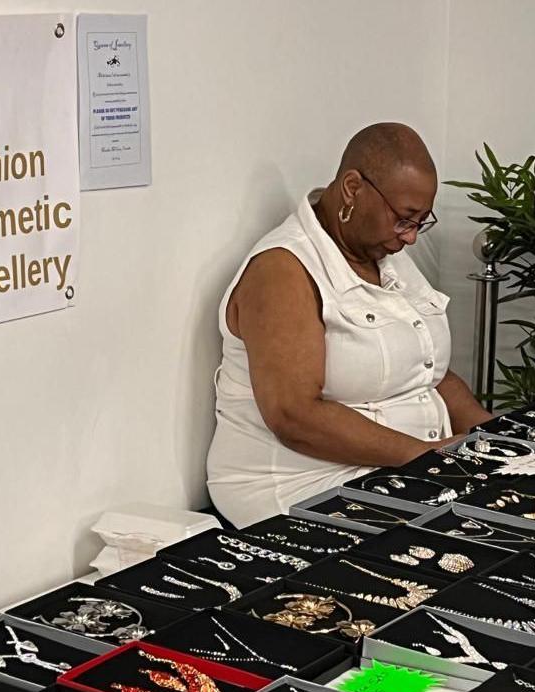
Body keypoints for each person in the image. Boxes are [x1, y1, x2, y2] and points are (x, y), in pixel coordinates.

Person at [207, 123, 492, 526]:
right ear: (353, 188)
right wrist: (427, 459)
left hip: (400, 471)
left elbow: (429, 373)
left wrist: (496, 442)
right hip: (301, 486)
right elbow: (295, 415)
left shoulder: (381, 252)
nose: (410, 238)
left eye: (420, 223)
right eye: (404, 219)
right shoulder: (282, 270)